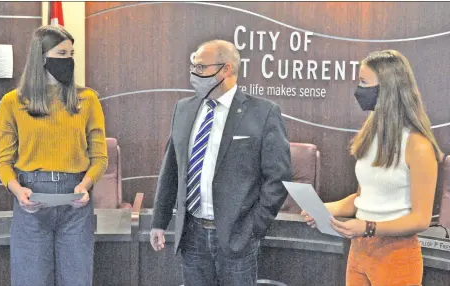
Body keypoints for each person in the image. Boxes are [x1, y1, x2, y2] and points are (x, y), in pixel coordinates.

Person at [150, 39, 292, 286]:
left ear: (226, 69)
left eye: (202, 68)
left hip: (236, 236)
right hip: (191, 234)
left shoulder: (263, 112)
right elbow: (172, 168)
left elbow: (278, 177)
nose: (194, 73)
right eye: (193, 66)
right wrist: (159, 222)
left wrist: (253, 228)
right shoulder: (183, 109)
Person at [302, 50, 443, 286]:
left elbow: (421, 219)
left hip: (396, 255)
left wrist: (368, 227)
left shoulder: (418, 146)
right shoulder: (370, 135)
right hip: (359, 251)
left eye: (364, 82)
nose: (358, 89)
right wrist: (326, 209)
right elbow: (362, 198)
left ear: (388, 89)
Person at [0, 25, 108, 286]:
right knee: (30, 280)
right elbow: (3, 161)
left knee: (77, 279)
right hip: (31, 197)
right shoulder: (13, 102)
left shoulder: (87, 99)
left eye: (71, 54)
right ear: (41, 57)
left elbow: (100, 156)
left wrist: (85, 184)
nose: (68, 60)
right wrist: (17, 190)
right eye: (61, 54)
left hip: (75, 199)